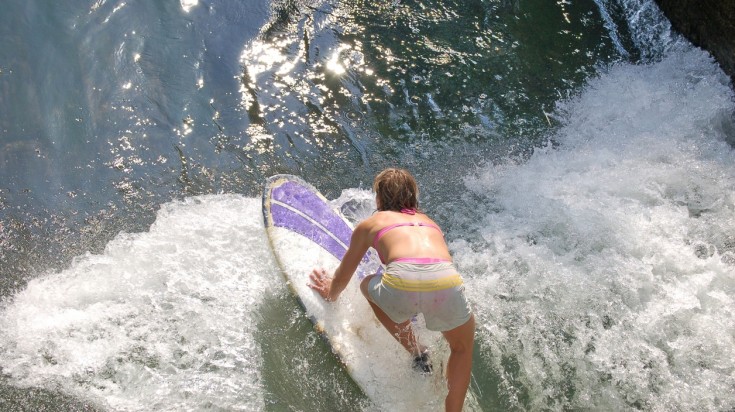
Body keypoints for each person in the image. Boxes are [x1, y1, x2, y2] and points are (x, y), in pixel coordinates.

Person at [309, 168, 475, 412]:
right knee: (461, 349)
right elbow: (427, 269)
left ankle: (417, 350)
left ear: (378, 199)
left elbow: (345, 272)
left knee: (367, 284)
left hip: (401, 286)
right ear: (414, 197)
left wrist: (330, 293)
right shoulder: (430, 223)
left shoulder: (372, 224)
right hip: (446, 284)